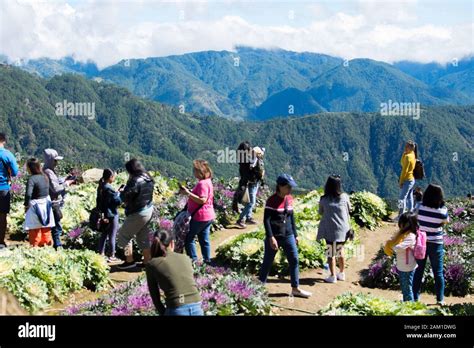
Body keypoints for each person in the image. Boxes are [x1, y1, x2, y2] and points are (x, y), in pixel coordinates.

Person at [258, 174, 312, 298]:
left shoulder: (289, 199)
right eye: (288, 187)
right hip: (275, 237)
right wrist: (271, 237)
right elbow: (266, 220)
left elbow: (291, 217)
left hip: (288, 235)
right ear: (280, 186)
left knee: (294, 260)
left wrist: (296, 234)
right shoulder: (271, 201)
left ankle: (295, 288)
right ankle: (259, 288)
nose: (290, 189)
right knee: (267, 262)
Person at [146, 230, 203, 316]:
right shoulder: (185, 258)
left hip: (177, 308)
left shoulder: (152, 264)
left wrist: (163, 312)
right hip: (197, 305)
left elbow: (154, 294)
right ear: (172, 243)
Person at [412, 183, 449, 305]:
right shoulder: (442, 212)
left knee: (418, 270)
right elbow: (445, 222)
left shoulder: (419, 207)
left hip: (420, 242)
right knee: (438, 272)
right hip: (436, 243)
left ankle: (415, 298)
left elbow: (414, 218)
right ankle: (440, 299)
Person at [117, 159, 155, 270]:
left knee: (124, 235)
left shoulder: (134, 180)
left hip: (138, 212)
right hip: (148, 209)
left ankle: (129, 261)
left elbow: (125, 197)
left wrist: (121, 191)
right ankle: (147, 262)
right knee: (142, 237)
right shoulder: (148, 177)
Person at [316, 175, 352, 283]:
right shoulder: (345, 197)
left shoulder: (323, 199)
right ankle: (342, 273)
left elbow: (320, 212)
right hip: (343, 230)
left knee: (330, 253)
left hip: (330, 229)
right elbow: (349, 209)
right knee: (340, 250)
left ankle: (333, 276)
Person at [179, 160, 215, 263]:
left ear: (200, 171)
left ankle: (194, 261)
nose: (193, 172)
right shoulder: (208, 181)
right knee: (204, 239)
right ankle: (207, 260)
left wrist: (188, 193)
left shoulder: (202, 183)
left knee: (189, 238)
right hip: (208, 215)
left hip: (199, 216)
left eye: (194, 170)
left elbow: (202, 199)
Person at [43, 149, 75, 249]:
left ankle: (55, 244)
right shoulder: (49, 172)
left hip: (51, 201)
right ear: (50, 160)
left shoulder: (47, 171)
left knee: (55, 224)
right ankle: (58, 245)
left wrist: (64, 179)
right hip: (53, 202)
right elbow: (56, 189)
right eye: (55, 160)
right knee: (56, 225)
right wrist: (67, 183)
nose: (57, 163)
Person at [384, 212, 418, 302]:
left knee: (407, 288)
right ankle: (407, 302)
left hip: (408, 266)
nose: (400, 225)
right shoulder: (403, 234)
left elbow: (399, 247)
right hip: (403, 266)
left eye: (402, 222)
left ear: (408, 224)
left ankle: (410, 306)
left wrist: (391, 246)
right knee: (404, 287)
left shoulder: (411, 236)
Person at [23, 158, 55, 247]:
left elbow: (28, 194)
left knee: (34, 229)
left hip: (35, 205)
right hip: (46, 205)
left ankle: (35, 248)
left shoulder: (32, 179)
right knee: (46, 228)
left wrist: (26, 205)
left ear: (30, 168)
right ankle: (46, 247)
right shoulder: (45, 177)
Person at [236, 146, 265, 228]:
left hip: (255, 183)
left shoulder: (255, 160)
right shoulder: (252, 161)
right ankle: (241, 219)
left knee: (251, 202)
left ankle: (248, 217)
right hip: (251, 183)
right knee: (250, 202)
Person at [96, 169, 121, 262]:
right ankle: (112, 255)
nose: (114, 178)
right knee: (112, 235)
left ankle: (101, 253)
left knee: (104, 234)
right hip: (111, 214)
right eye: (113, 176)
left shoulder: (101, 186)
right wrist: (119, 194)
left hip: (103, 214)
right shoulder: (109, 188)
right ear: (110, 177)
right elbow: (117, 201)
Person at [0, 133, 19, 249]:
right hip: (3, 188)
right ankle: (0, 242)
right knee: (2, 216)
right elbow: (15, 172)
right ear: (4, 141)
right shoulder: (7, 155)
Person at [232, 141, 252, 214]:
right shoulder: (246, 159)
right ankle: (240, 211)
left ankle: (236, 207)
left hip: (243, 178)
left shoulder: (241, 158)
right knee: (243, 194)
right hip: (245, 179)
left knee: (240, 190)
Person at [398, 140, 417, 219]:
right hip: (412, 179)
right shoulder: (412, 154)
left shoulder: (407, 157)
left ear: (411, 148)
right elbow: (402, 162)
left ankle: (401, 215)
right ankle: (411, 213)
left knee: (401, 198)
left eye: (407, 146)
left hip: (406, 179)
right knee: (409, 197)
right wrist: (404, 154)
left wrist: (401, 181)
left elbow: (404, 170)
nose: (405, 148)